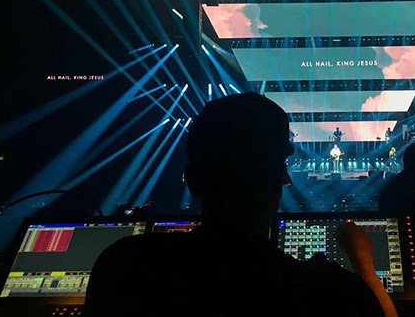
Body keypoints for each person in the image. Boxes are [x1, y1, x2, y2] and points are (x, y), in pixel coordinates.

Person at [85, 93, 396, 317]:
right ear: (282, 180)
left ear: (191, 180)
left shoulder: (123, 264)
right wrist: (363, 265)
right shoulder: (326, 290)